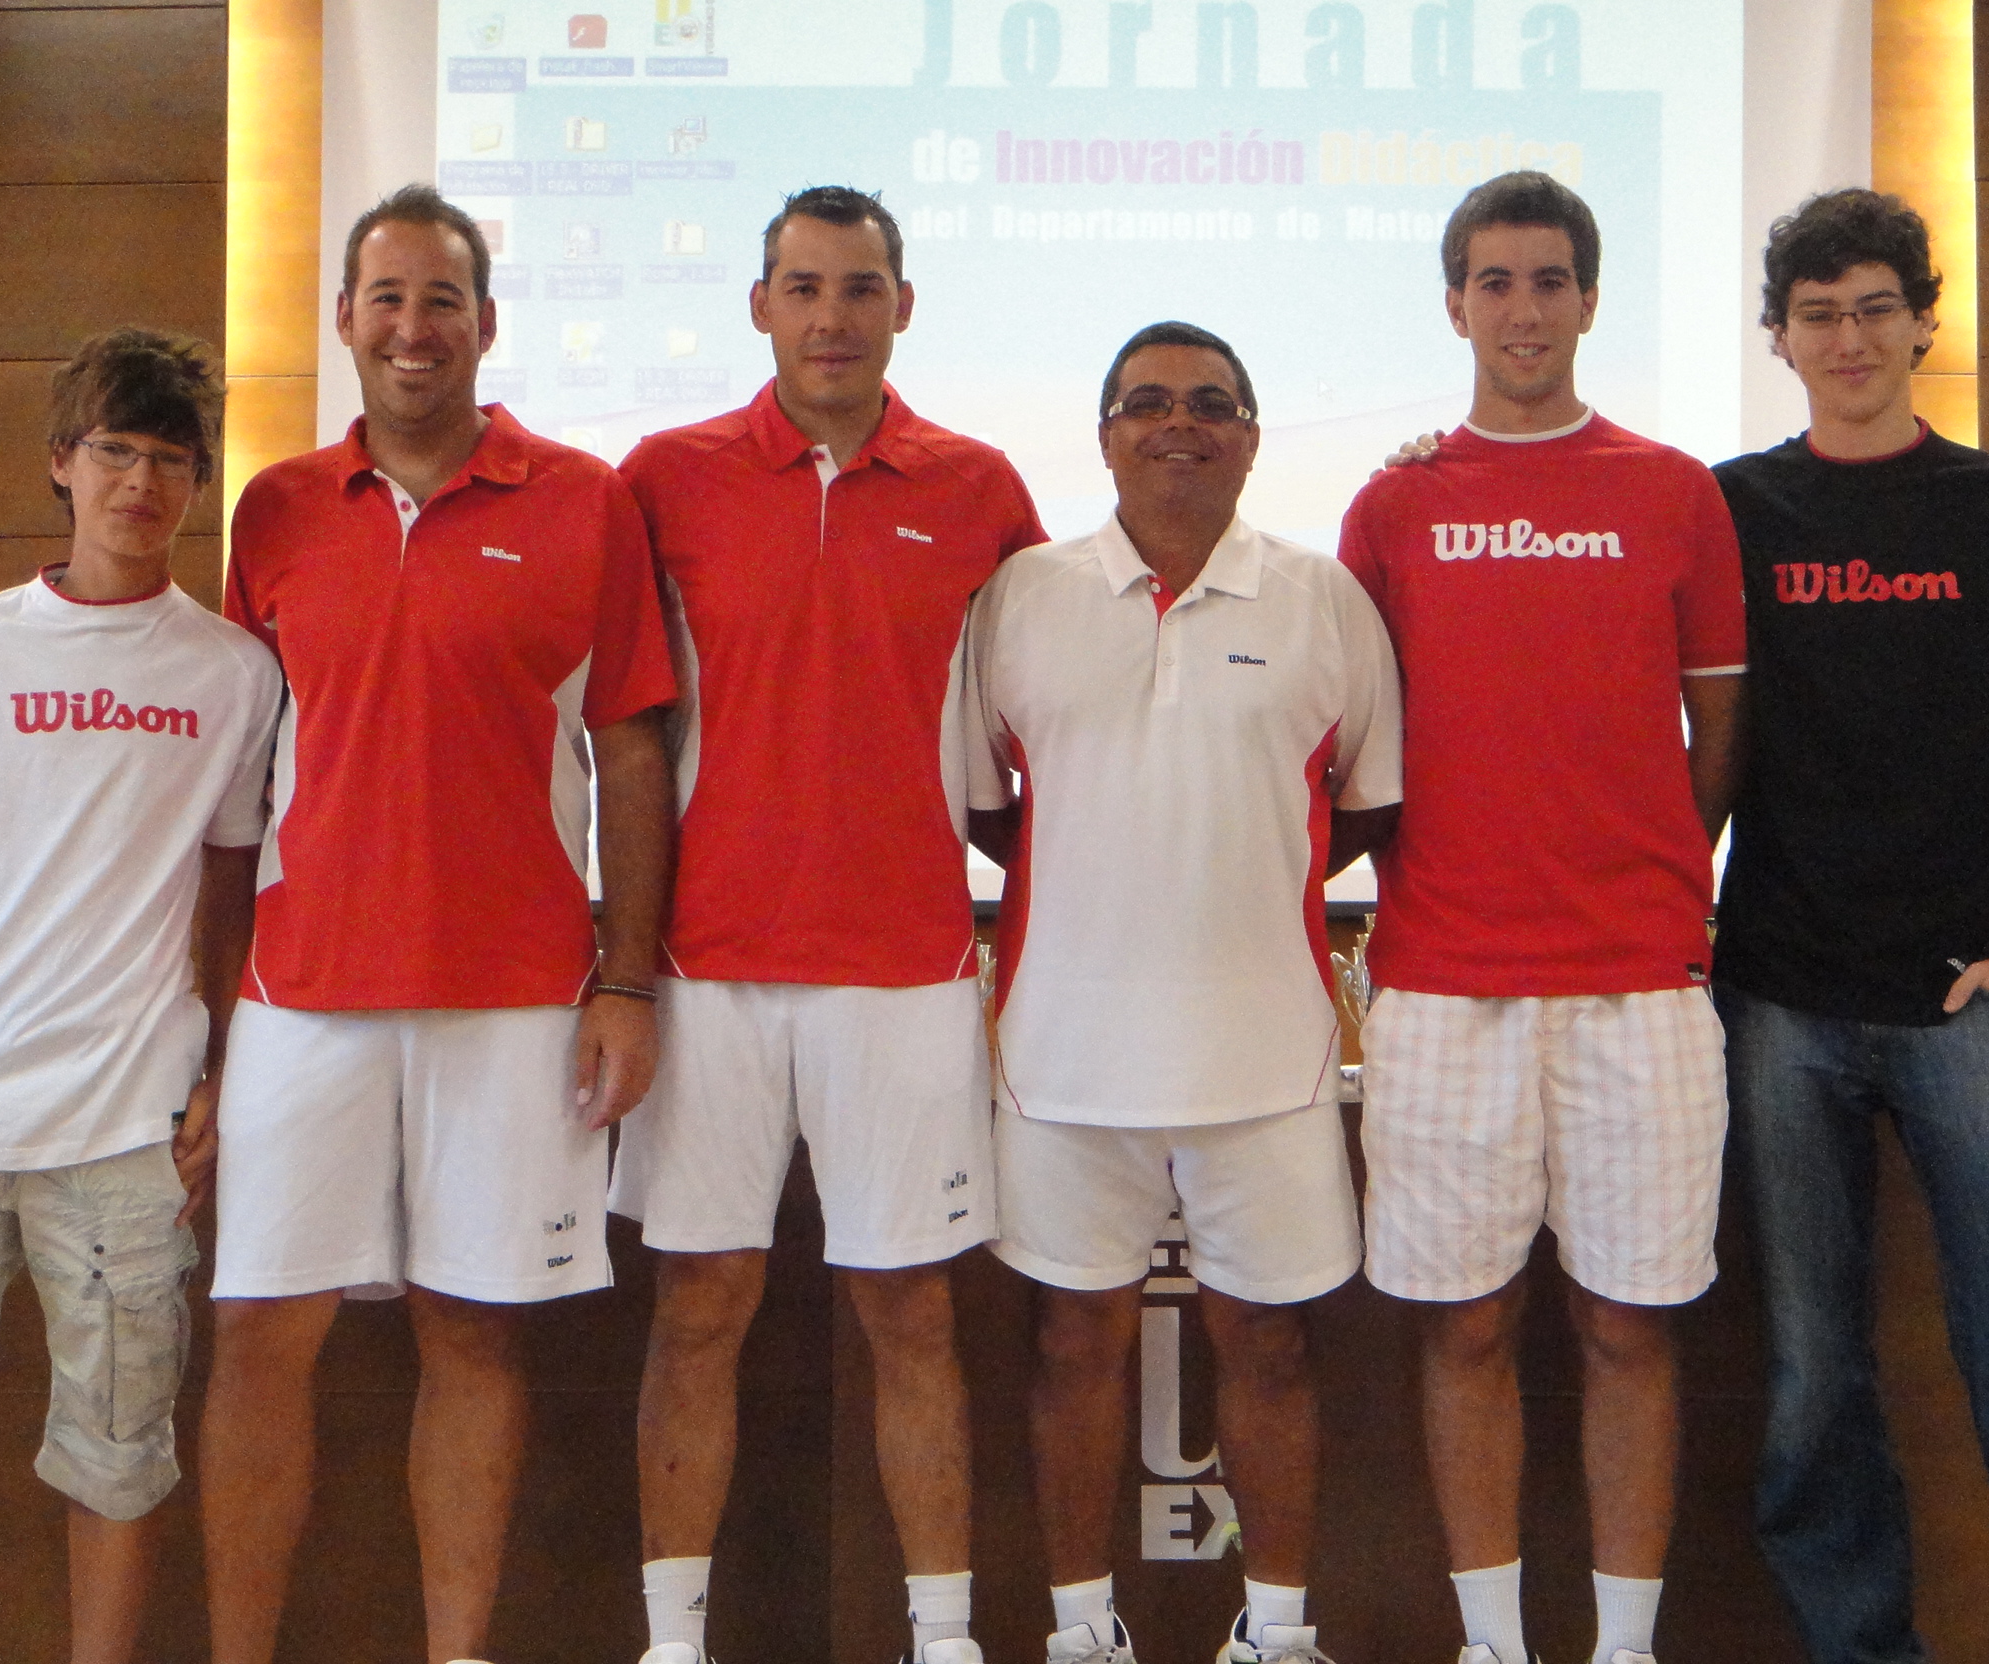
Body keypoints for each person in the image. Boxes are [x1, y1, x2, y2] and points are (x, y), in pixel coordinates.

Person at [199, 185, 676, 1664]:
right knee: (259, 1335)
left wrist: (627, 981)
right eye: (390, 299)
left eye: (444, 300)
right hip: (303, 994)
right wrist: (202, 1026)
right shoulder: (276, 510)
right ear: (347, 318)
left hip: (515, 999)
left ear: (487, 322)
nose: (416, 328)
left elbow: (632, 753)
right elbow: (240, 769)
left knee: (474, 1334)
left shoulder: (585, 500)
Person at [1710, 189, 1989, 1664]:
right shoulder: (1729, 508)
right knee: (1812, 1387)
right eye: (1818, 314)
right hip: (1777, 1000)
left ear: (1920, 325)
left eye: (1875, 309)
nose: (1849, 338)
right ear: (1780, 339)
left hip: (1973, 1006)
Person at [614, 186, 1044, 1664]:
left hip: (906, 967)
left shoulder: (979, 487)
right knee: (698, 1307)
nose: (832, 317)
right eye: (803, 287)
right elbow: (617, 730)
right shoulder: (662, 478)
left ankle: (946, 1640)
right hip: (705, 972)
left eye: (860, 288)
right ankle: (675, 1643)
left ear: (902, 307)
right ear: (760, 307)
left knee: (912, 1313)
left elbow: (1042, 709)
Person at [0, 330, 277, 1664]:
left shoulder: (234, 674)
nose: (142, 482)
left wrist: (222, 1070)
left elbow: (229, 895)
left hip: (126, 1134)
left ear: (197, 483)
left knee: (118, 1460)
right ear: (63, 464)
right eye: (116, 451)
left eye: (172, 460)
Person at [1340, 172, 1745, 1664]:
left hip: (1641, 984)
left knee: (1630, 1329)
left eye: (1551, 280)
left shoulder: (1672, 490)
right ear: (1455, 305)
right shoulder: (1393, 503)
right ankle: (1495, 1645)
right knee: (1465, 1327)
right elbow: (1356, 745)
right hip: (1443, 982)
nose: (1525, 309)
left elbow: (1719, 735)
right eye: (1496, 282)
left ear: (1590, 300)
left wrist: (1648, 869)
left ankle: (1622, 1649)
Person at [966, 322, 1403, 1664]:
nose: (1180, 424)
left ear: (1252, 437)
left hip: (1265, 1055)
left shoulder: (1323, 599)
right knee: (1071, 1351)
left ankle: (1276, 1634)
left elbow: (1365, 808)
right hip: (1062, 1056)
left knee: (1270, 1351)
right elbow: (987, 806)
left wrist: (1229, 874)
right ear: (1104, 435)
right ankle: (1079, 1633)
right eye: (1147, 403)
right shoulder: (1020, 596)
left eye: (1212, 403)